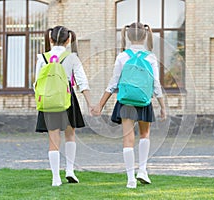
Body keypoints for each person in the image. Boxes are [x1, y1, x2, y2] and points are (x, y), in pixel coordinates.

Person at [92, 22, 166, 189]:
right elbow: (156, 84)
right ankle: (142, 170)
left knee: (128, 139)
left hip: (126, 101)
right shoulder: (150, 57)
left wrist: (100, 105)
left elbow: (113, 83)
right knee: (145, 134)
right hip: (144, 100)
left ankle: (130, 179)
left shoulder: (122, 56)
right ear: (145, 35)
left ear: (127, 36)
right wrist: (162, 106)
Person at [34, 25, 91, 186]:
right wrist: (90, 103)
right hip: (67, 98)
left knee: (53, 139)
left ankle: (55, 178)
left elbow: (36, 83)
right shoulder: (72, 57)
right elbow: (82, 82)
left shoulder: (42, 58)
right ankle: (70, 170)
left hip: (49, 101)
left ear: (51, 39)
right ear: (68, 39)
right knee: (70, 135)